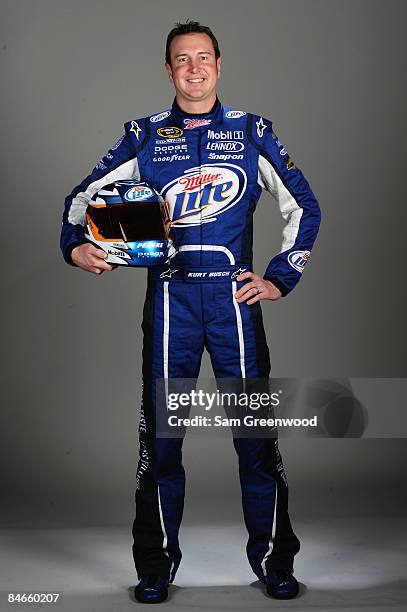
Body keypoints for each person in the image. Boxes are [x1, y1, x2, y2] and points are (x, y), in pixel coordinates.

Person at [61, 20, 321, 604]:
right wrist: (75, 246)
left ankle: (275, 561)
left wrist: (281, 277)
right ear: (169, 70)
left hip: (234, 309)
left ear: (219, 65)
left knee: (256, 440)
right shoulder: (144, 136)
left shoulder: (252, 133)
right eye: (182, 60)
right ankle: (155, 567)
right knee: (162, 442)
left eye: (203, 58)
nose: (194, 69)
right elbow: (83, 199)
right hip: (171, 307)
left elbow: (303, 205)